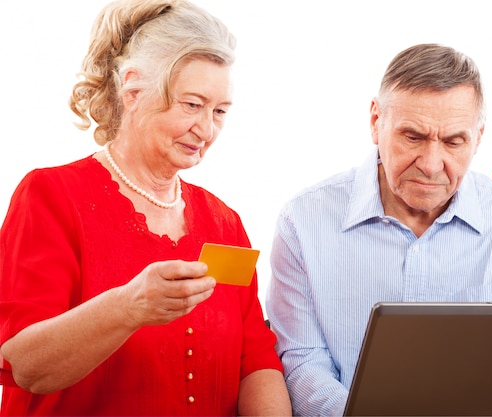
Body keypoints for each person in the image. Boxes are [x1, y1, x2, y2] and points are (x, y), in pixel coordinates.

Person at [266, 43, 492, 416]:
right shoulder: (303, 221)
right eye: (412, 137)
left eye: (453, 141)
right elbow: (303, 365)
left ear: (479, 137)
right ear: (375, 122)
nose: (431, 165)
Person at [0, 0, 291, 415]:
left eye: (220, 111)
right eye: (191, 104)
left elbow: (256, 361)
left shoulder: (225, 222)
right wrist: (129, 306)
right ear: (133, 90)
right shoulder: (50, 195)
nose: (207, 130)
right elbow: (25, 365)